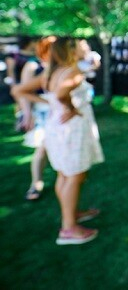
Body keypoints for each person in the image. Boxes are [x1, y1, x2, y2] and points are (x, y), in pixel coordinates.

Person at [12, 37, 104, 245]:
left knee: (65, 173)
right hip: (72, 128)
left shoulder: (51, 72)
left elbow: (18, 90)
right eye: (80, 46)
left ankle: (71, 214)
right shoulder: (72, 71)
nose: (84, 48)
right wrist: (69, 106)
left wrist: (49, 102)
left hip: (57, 125)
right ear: (70, 51)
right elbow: (62, 93)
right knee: (74, 175)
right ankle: (69, 229)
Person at [22, 36, 56, 201]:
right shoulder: (32, 65)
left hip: (57, 111)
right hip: (42, 111)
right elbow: (23, 92)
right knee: (42, 147)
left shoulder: (59, 65)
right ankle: (36, 183)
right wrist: (27, 114)